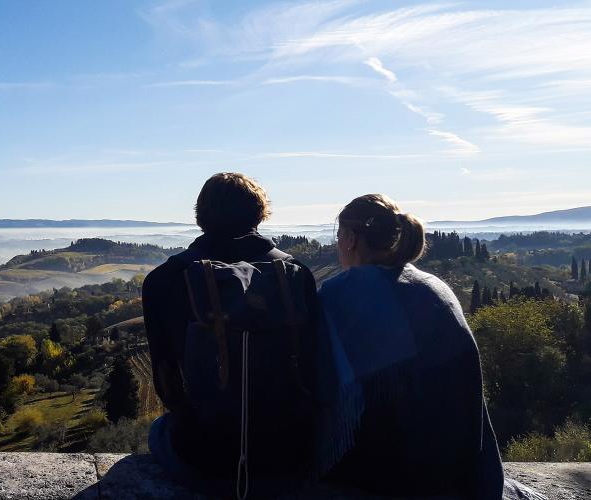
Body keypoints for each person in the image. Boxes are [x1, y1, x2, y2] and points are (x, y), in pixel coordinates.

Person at [142, 173, 321, 498]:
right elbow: (313, 365)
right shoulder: (296, 274)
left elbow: (166, 381)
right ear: (260, 212)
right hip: (288, 451)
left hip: (203, 456)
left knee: (158, 431)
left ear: (200, 216)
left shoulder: (165, 280)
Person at [317, 194, 504, 499]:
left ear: (351, 238)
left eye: (338, 235)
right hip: (456, 464)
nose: (338, 244)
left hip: (384, 473)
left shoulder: (341, 294)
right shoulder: (433, 286)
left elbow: (322, 381)